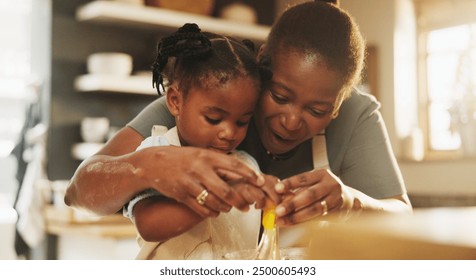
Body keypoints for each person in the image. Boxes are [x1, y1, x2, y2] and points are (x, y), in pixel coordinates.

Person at [65, 0, 412, 249]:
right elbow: (78, 192)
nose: (292, 121)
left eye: (318, 109)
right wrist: (150, 166)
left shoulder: (357, 114)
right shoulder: (203, 103)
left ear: (339, 104)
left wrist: (349, 203)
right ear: (261, 63)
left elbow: (404, 221)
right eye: (278, 95)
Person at [121, 23, 277, 259]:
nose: (228, 133)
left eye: (242, 122)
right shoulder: (155, 153)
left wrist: (273, 198)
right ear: (175, 101)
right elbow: (149, 225)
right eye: (214, 119)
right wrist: (220, 197)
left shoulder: (246, 167)